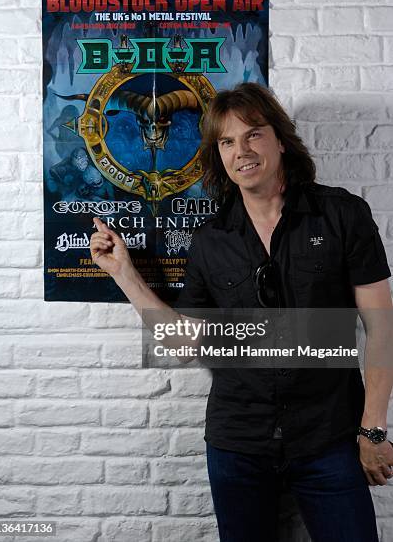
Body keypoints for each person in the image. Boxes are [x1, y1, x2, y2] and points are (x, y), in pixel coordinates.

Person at [90, 83, 393, 542]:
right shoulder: (212, 238)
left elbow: (381, 327)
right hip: (239, 444)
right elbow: (182, 341)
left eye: (253, 134)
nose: (242, 151)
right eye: (227, 142)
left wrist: (372, 430)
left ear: (279, 139)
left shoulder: (341, 214)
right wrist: (124, 274)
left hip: (329, 437)